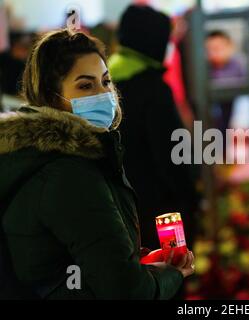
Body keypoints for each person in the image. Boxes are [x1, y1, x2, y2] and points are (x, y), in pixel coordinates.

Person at [0, 29, 194, 300]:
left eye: (105, 81)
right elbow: (127, 293)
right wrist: (172, 274)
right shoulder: (69, 172)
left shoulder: (39, 156)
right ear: (52, 96)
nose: (103, 94)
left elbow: (77, 260)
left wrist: (134, 264)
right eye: (85, 85)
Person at [108, 5, 199, 252]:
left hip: (120, 213)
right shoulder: (153, 89)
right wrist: (190, 196)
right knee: (172, 268)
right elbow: (171, 157)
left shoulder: (104, 83)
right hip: (163, 212)